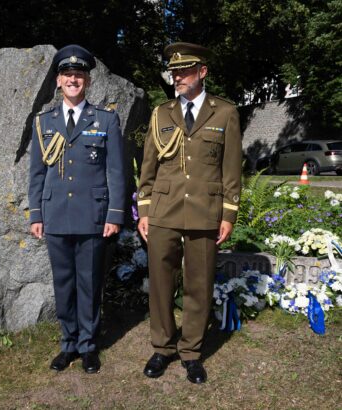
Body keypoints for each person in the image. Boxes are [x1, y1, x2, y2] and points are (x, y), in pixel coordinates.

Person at [137, 42, 242, 384]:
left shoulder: (224, 112)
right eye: (174, 72)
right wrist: (145, 210)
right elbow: (149, 168)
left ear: (202, 72)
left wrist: (228, 215)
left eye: (184, 71)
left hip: (204, 210)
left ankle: (192, 351)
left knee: (200, 282)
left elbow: (231, 171)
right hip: (164, 209)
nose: (177, 77)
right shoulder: (161, 113)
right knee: (161, 282)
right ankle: (162, 347)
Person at [28, 44, 126, 373]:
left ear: (88, 81)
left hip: (93, 217)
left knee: (89, 283)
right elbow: (37, 173)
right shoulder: (43, 122)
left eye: (79, 75)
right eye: (68, 75)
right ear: (58, 81)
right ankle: (67, 343)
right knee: (63, 283)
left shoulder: (106, 120)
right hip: (55, 216)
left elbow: (116, 172)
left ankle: (88, 345)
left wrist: (114, 215)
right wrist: (36, 214)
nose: (73, 79)